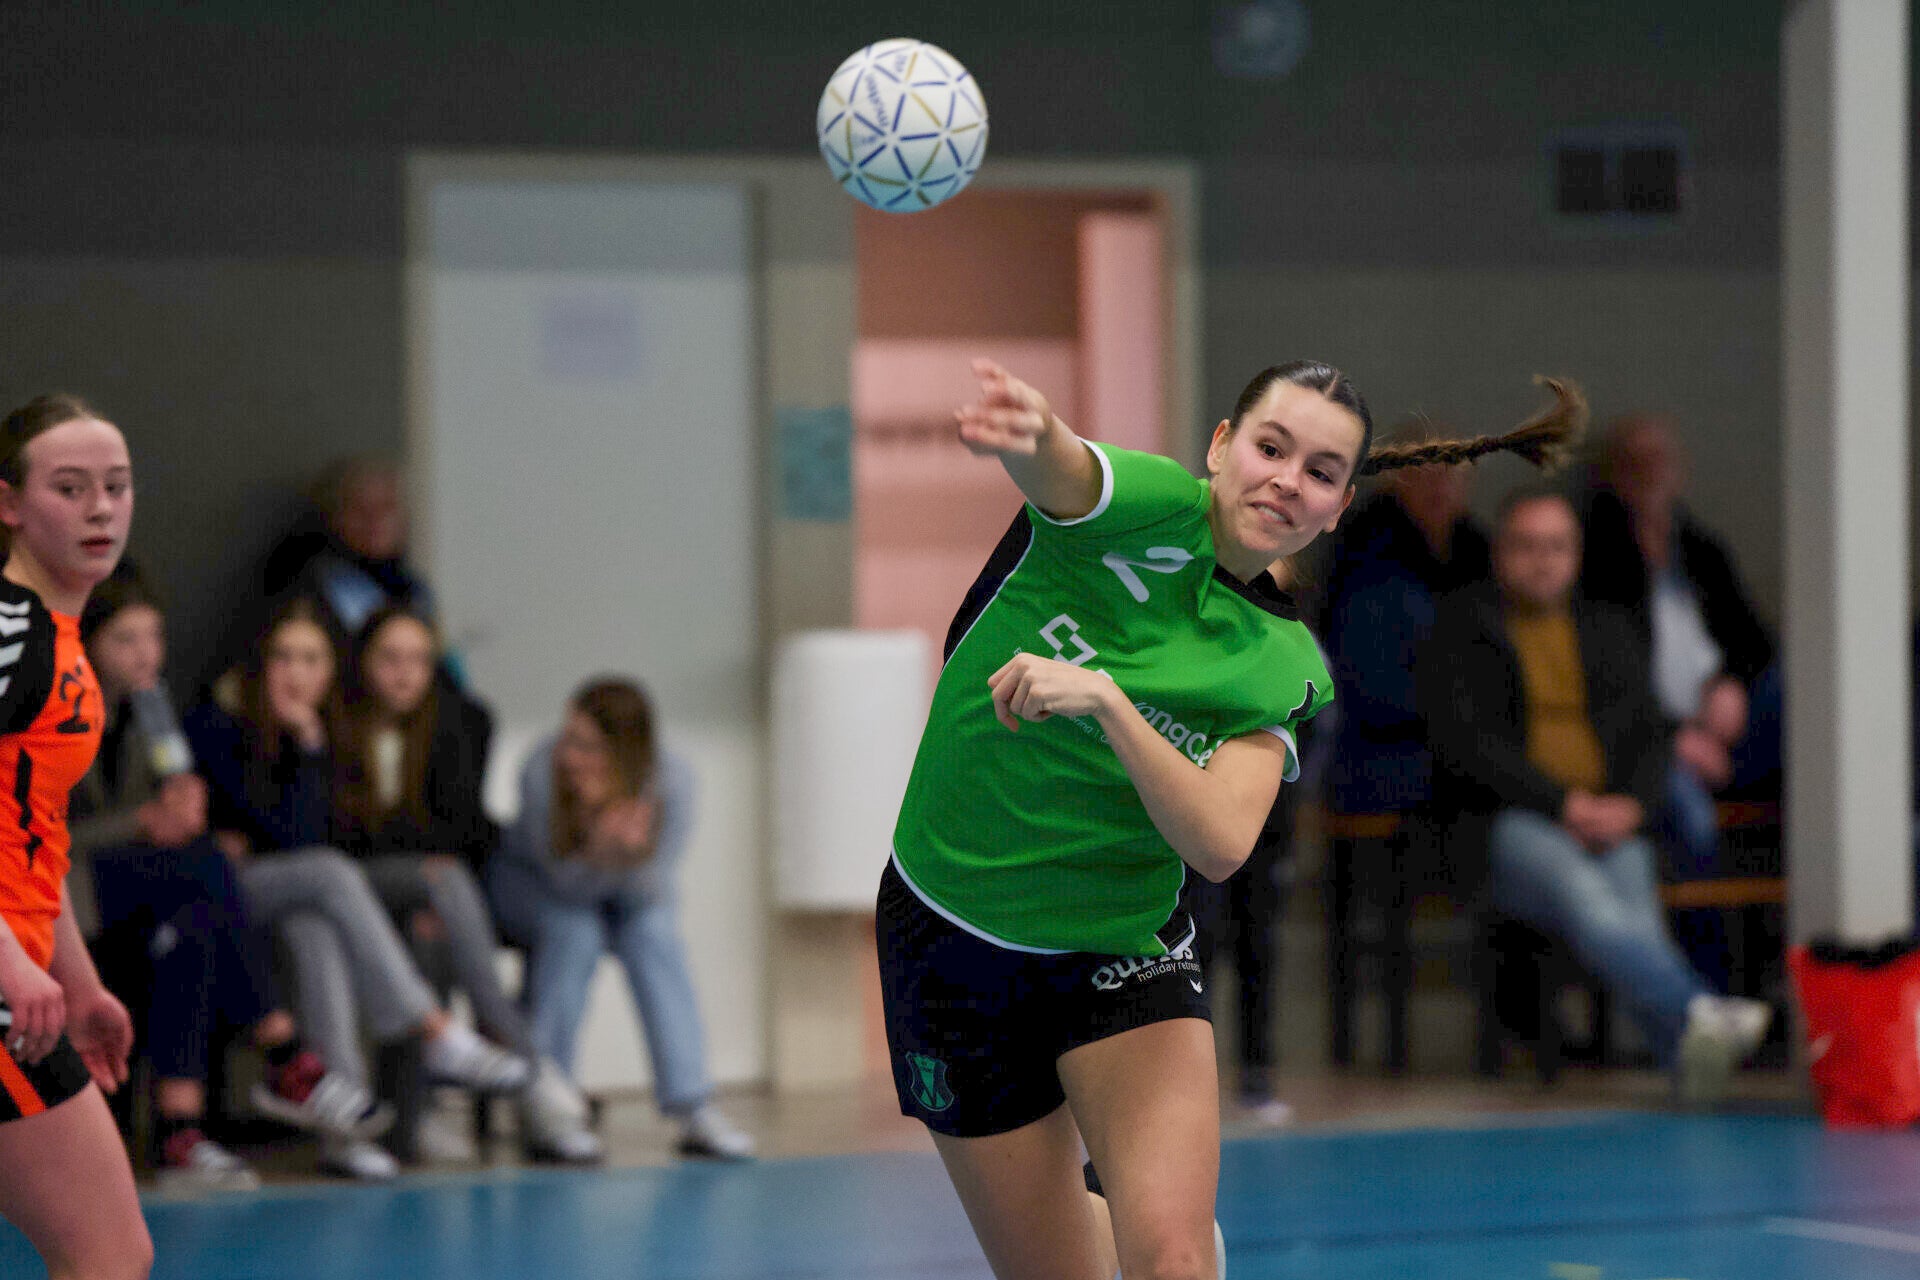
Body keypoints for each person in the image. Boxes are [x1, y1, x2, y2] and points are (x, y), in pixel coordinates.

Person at [879, 358, 1583, 1280]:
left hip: (1120, 946)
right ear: (1221, 446)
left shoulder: (1282, 661)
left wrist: (1110, 704)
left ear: (1338, 507)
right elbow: (1063, 465)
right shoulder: (1142, 506)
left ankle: (1168, 1240)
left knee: (1173, 1262)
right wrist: (1033, 428)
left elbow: (1218, 844)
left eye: (1321, 472)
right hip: (952, 933)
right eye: (1271, 448)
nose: (1288, 480)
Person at [1418, 488, 1772, 1105]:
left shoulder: (1608, 627)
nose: (1543, 560)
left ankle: (1691, 1066)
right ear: (1500, 553)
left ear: (1576, 555)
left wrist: (1630, 806)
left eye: (1557, 546)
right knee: (1589, 900)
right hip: (1505, 824)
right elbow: (1468, 747)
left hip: (1610, 817)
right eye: (1527, 546)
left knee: (1636, 911)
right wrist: (1564, 805)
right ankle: (1702, 1011)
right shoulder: (1460, 627)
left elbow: (1652, 735)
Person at [184, 596, 531, 1180]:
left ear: (332, 668)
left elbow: (317, 834)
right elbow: (289, 837)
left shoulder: (329, 730)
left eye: (312, 659)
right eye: (284, 657)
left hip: (297, 896)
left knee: (316, 933)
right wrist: (305, 750)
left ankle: (343, 1133)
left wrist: (309, 747)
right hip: (230, 892)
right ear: (259, 663)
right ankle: (433, 1029)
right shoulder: (219, 724)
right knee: (329, 872)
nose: (297, 673)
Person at [73, 567, 358, 1191]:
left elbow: (176, 794)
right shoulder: (57, 709)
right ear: (87, 643)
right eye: (127, 639)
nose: (147, 654)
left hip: (145, 885)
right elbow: (37, 832)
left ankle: (180, 1132)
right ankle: (283, 1053)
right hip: (67, 888)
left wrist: (184, 805)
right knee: (204, 866)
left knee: (195, 922)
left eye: (155, 636)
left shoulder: (151, 706)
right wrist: (142, 821)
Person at [334, 605, 599, 1163]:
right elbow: (343, 835)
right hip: (355, 882)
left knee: (429, 930)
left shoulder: (461, 722)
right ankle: (532, 1072)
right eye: (390, 659)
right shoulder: (334, 722)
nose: (404, 674)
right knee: (443, 883)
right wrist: (418, 861)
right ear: (363, 662)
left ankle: (410, 1117)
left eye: (418, 660)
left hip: (431, 888)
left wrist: (420, 869)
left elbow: (460, 826)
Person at [0, 394, 153, 1278]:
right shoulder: (12, 634)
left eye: (116, 486)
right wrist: (11, 966)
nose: (100, 509)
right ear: (9, 505)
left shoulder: (62, 643)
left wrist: (79, 981)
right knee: (108, 1254)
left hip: (25, 985)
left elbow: (31, 837)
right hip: (5, 997)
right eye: (69, 488)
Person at [489, 678, 754, 1161]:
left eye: (587, 746)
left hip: (624, 894)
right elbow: (560, 883)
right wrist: (600, 848)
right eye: (568, 737)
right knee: (575, 932)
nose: (570, 756)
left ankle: (692, 1104)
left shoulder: (673, 780)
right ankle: (551, 1104)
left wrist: (626, 859)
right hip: (535, 891)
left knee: (655, 934)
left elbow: (654, 886)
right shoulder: (541, 770)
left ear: (625, 751)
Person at [1579, 414, 1780, 981]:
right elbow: (1600, 679)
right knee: (1687, 813)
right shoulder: (1594, 554)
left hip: (1725, 730)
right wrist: (1676, 736)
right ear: (1613, 473)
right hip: (1648, 740)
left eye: (1660, 458)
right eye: (1635, 460)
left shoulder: (1699, 547)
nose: (1650, 471)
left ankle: (1794, 957)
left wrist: (1730, 684)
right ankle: (1713, 986)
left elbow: (1756, 642)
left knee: (1800, 702)